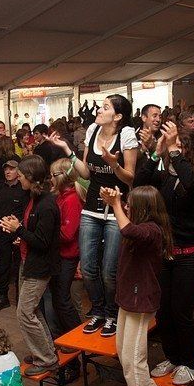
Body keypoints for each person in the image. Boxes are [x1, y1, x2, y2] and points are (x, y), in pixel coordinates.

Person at [48, 94, 138, 337]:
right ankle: (97, 311)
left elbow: (130, 177)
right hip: (91, 208)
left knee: (109, 272)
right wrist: (68, 151)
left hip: (116, 209)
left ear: (117, 116)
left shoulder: (126, 135)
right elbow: (86, 174)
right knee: (88, 268)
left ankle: (112, 314)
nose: (99, 110)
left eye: (105, 107)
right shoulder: (93, 131)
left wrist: (114, 164)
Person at [136, 123, 194, 383]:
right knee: (163, 311)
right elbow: (139, 183)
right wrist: (156, 153)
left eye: (179, 146)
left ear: (191, 148)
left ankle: (190, 362)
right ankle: (173, 356)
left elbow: (189, 183)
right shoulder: (167, 175)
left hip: (192, 255)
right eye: (173, 146)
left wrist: (173, 150)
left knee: (181, 311)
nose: (174, 151)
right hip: (167, 253)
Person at [101, 184, 170, 386]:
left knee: (133, 355)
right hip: (129, 298)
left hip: (140, 300)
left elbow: (129, 230)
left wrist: (116, 205)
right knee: (123, 350)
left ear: (143, 208)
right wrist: (114, 201)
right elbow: (128, 227)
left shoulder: (152, 230)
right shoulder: (141, 227)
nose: (127, 207)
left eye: (130, 205)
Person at [0, 155, 61, 377]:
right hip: (29, 260)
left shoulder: (47, 205)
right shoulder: (34, 198)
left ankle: (47, 359)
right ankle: (45, 352)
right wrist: (20, 233)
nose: (19, 179)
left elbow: (43, 242)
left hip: (39, 266)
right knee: (31, 310)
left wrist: (19, 230)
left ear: (31, 178)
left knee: (24, 313)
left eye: (22, 176)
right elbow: (33, 232)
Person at [43, 157, 84, 345]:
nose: (50, 179)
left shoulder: (72, 200)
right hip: (59, 255)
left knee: (63, 299)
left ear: (62, 177)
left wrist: (46, 231)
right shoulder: (61, 197)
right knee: (58, 299)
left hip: (68, 256)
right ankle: (67, 338)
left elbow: (67, 234)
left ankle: (77, 339)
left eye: (53, 175)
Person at [0, 159, 29, 313]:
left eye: (11, 169)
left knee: (20, 265)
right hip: (2, 232)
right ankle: (2, 297)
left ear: (18, 172)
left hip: (19, 232)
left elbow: (26, 211)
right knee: (2, 265)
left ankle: (21, 297)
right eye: (6, 169)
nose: (8, 172)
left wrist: (21, 228)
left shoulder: (23, 189)